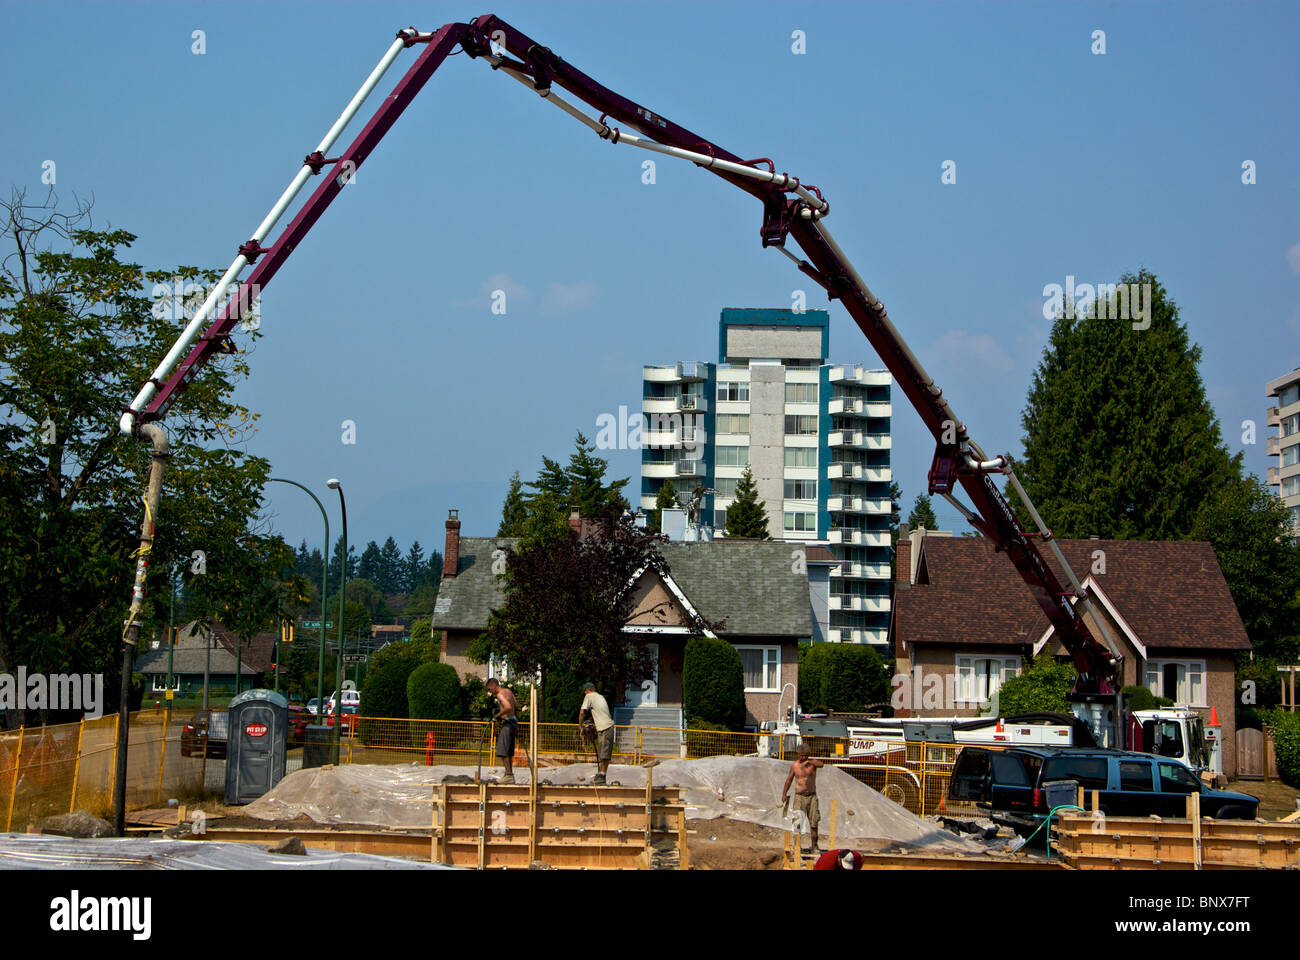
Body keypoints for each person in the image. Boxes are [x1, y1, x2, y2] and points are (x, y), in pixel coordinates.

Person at [781, 745, 825, 851]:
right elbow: (789, 780)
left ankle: (814, 845)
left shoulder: (812, 764)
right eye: (801, 755)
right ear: (798, 754)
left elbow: (821, 764)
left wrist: (810, 762)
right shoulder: (795, 765)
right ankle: (796, 846)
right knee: (797, 822)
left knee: (814, 822)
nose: (803, 758)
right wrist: (784, 794)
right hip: (799, 797)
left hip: (811, 796)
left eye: (805, 756)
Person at [578, 681, 615, 784]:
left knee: (604, 753)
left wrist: (580, 726)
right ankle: (601, 774)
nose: (584, 695)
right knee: (604, 752)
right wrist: (590, 721)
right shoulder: (600, 697)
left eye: (584, 693)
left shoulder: (589, 696)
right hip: (608, 727)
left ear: (587, 690)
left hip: (605, 728)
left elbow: (582, 713)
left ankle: (602, 776)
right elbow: (599, 713)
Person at [486, 678, 519, 784]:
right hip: (513, 723)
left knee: (502, 749)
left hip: (508, 723)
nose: (490, 691)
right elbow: (515, 705)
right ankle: (509, 775)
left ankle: (508, 775)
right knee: (509, 750)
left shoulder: (500, 694)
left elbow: (508, 707)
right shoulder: (509, 692)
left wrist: (498, 715)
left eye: (489, 689)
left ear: (493, 686)